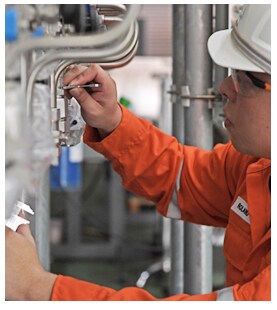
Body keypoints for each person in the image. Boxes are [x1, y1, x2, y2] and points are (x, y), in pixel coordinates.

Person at [5, 4, 271, 301]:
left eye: (244, 80)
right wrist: (113, 123)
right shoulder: (259, 165)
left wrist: (36, 288)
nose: (224, 87)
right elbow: (183, 177)